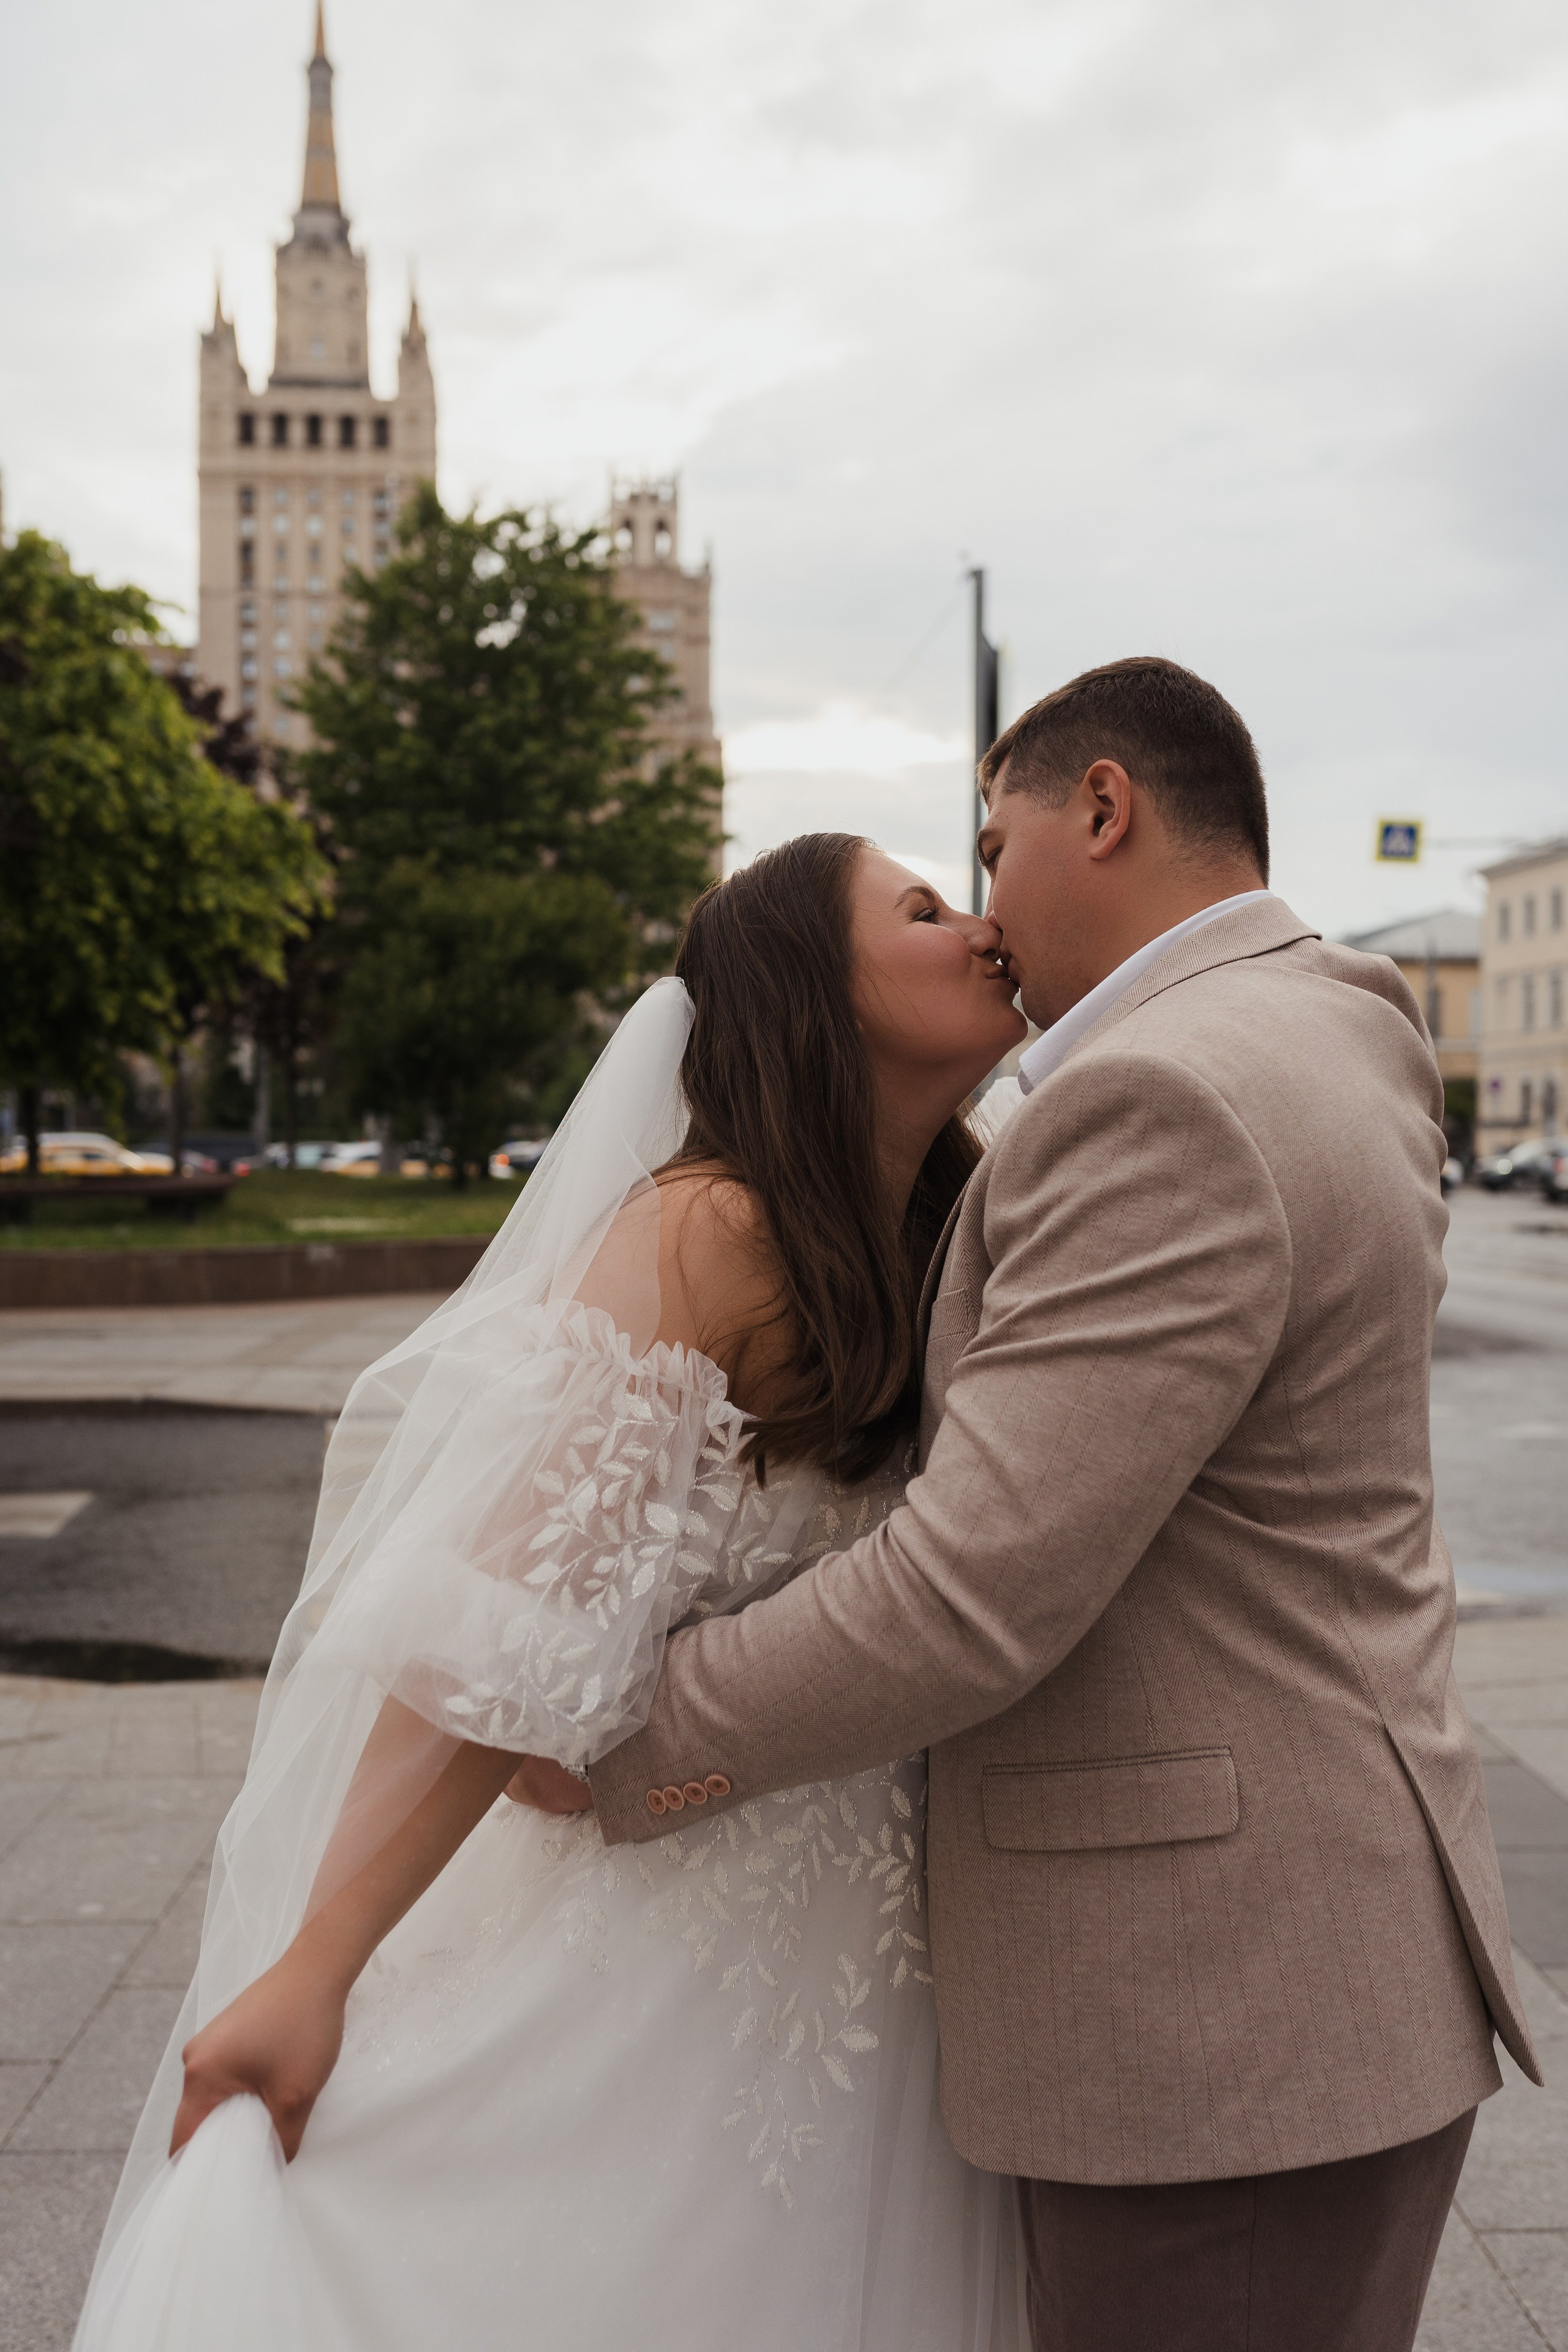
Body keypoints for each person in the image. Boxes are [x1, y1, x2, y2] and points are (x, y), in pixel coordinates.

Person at [571, 657, 1539, 2352]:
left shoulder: (1159, 1091)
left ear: (1102, 807)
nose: (990, 914)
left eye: (989, 850)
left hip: (1211, 2020)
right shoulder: (1335, 1020)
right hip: (1308, 1967)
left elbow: (974, 1593)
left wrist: (637, 1741)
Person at [73, 834, 1032, 2352]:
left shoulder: (947, 1235)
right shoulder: (699, 1235)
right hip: (652, 1938)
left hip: (866, 1965)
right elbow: (496, 1640)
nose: (980, 929)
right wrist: (315, 1967)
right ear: (810, 995)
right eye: (921, 910)